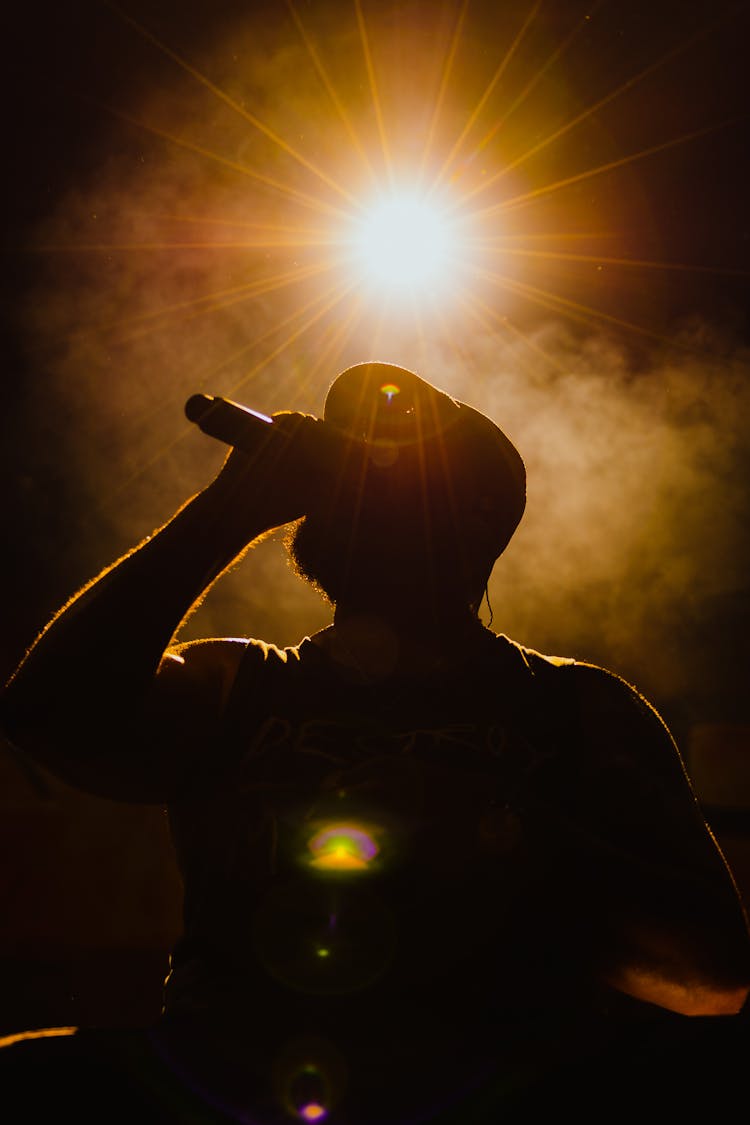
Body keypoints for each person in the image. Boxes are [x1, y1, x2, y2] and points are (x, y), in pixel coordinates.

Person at [1, 360, 749, 1123]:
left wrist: (505, 835)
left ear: (473, 513)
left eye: (389, 464)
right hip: (231, 1085)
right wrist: (229, 508)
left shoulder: (577, 706)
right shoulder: (242, 683)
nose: (349, 474)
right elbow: (46, 714)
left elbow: (714, 973)